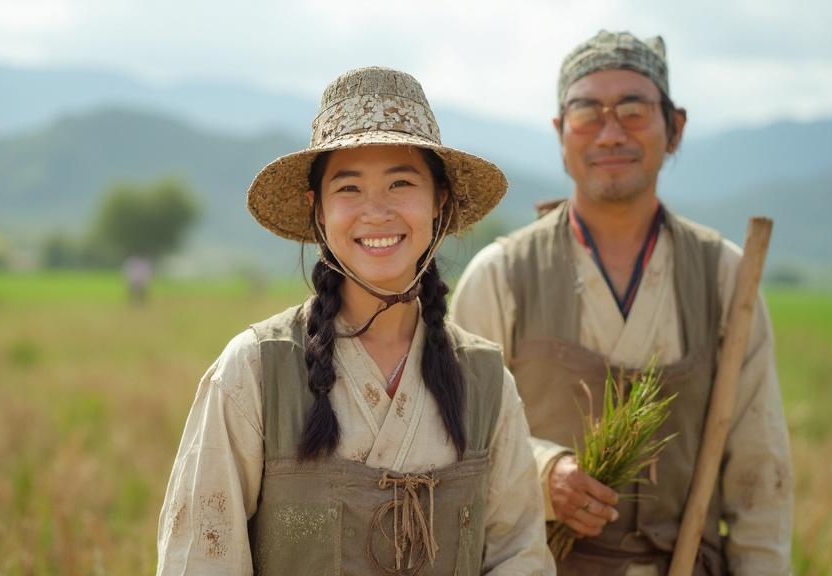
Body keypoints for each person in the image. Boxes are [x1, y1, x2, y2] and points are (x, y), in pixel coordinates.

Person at [156, 67, 554, 575]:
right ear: (318, 210)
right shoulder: (254, 371)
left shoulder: (485, 380)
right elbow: (201, 559)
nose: (376, 212)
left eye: (401, 182)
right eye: (348, 189)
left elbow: (519, 555)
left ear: (439, 202)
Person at [451, 31, 793, 575]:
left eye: (633, 110)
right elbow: (456, 445)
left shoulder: (727, 277)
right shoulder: (501, 276)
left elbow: (760, 476)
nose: (611, 134)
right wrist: (543, 473)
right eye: (587, 113)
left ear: (675, 128)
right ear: (561, 133)